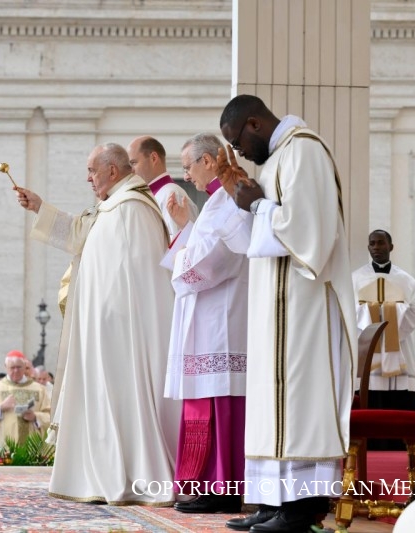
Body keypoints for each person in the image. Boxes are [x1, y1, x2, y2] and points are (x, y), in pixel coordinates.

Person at [215, 95, 357, 532]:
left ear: (254, 124)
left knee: (299, 402)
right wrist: (238, 200)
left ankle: (303, 507)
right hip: (276, 307)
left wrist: (257, 205)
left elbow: (310, 233)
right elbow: (256, 240)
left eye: (237, 142)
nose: (240, 153)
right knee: (274, 402)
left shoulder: (305, 152)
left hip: (305, 305)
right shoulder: (277, 160)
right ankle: (274, 500)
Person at [14, 143, 180, 506]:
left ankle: (128, 474)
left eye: (92, 170)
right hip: (103, 333)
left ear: (113, 171)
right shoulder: (113, 206)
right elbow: (79, 234)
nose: (87, 178)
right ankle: (101, 471)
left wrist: (108, 319)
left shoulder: (133, 209)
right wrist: (39, 207)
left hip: (122, 335)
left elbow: (131, 277)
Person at [163, 133, 249, 514]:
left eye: (187, 166)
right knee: (205, 398)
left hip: (223, 320)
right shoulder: (214, 203)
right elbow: (197, 246)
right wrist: (185, 228)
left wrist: (181, 264)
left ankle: (224, 486)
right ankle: (207, 484)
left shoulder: (230, 201)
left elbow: (215, 258)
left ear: (209, 161)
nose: (186, 176)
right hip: (208, 317)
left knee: (220, 399)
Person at [352, 229, 415, 449]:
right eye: (372, 243)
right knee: (369, 395)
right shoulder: (355, 279)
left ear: (391, 246)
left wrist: (392, 334)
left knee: (400, 401)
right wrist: (373, 318)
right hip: (368, 351)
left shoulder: (406, 280)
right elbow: (348, 310)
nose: (376, 247)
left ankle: (405, 448)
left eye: (381, 243)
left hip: (398, 349)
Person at [0, 350, 50, 447]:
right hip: (3, 444)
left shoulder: (39, 389)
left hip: (33, 444)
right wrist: (0, 407)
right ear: (6, 367)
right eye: (12, 367)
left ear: (25, 367)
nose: (16, 371)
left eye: (19, 367)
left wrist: (36, 417)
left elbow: (51, 415)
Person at [127, 135, 198, 240]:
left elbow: (180, 246)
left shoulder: (172, 195)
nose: (131, 170)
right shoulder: (154, 195)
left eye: (133, 163)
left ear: (153, 158)